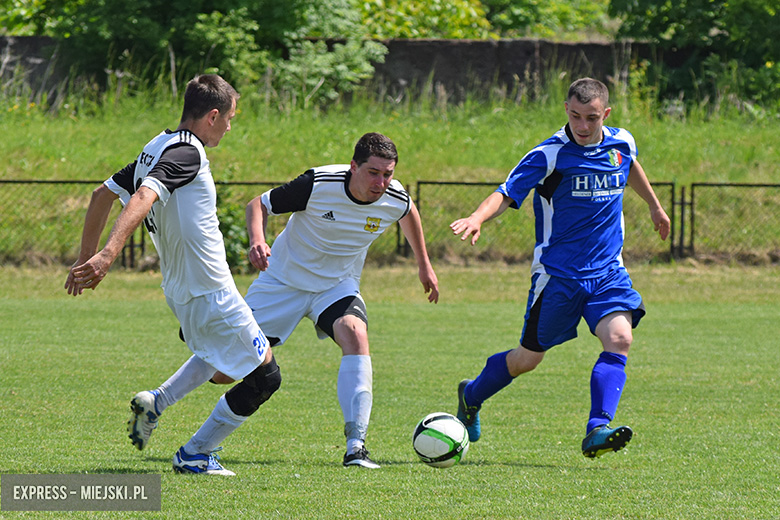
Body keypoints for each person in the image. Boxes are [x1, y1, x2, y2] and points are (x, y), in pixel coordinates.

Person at [65, 74, 280, 476]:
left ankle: (156, 402)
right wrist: (107, 254)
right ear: (213, 116)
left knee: (217, 357)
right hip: (210, 290)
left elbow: (101, 195)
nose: (230, 127)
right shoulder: (189, 153)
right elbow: (145, 196)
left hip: (180, 291)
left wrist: (85, 258)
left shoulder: (156, 146)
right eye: (230, 118)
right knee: (266, 376)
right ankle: (195, 453)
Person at [450, 78, 670, 458]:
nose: (582, 126)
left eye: (591, 118)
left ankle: (597, 429)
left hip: (607, 272)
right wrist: (478, 217)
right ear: (565, 109)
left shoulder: (622, 141)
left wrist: (653, 205)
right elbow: (507, 192)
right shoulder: (549, 155)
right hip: (557, 277)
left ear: (607, 114)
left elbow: (630, 165)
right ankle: (471, 394)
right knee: (527, 359)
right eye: (575, 116)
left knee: (620, 339)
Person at [239, 132, 439, 468]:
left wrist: (424, 266)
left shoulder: (394, 196)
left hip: (336, 285)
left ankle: (356, 447)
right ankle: (158, 401)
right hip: (284, 282)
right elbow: (257, 205)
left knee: (356, 335)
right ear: (353, 166)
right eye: (374, 173)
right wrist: (258, 241)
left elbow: (409, 212)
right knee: (224, 368)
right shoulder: (318, 183)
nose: (382, 182)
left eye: (388, 174)